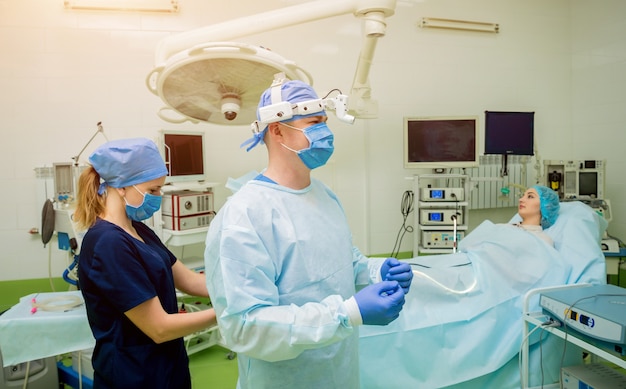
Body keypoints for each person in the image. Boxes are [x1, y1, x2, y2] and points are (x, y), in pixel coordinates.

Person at [204, 77, 413, 389]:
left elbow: (342, 262)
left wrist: (375, 269)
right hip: (283, 380)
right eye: (314, 122)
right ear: (276, 129)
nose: (325, 133)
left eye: (325, 122)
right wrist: (346, 313)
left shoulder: (324, 195)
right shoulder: (244, 215)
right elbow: (245, 327)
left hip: (339, 373)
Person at [74, 137, 216, 389]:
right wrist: (228, 312)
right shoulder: (108, 244)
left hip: (167, 366)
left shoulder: (139, 230)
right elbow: (159, 327)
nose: (159, 197)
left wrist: (240, 285)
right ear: (121, 186)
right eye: (152, 190)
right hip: (133, 375)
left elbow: (191, 281)